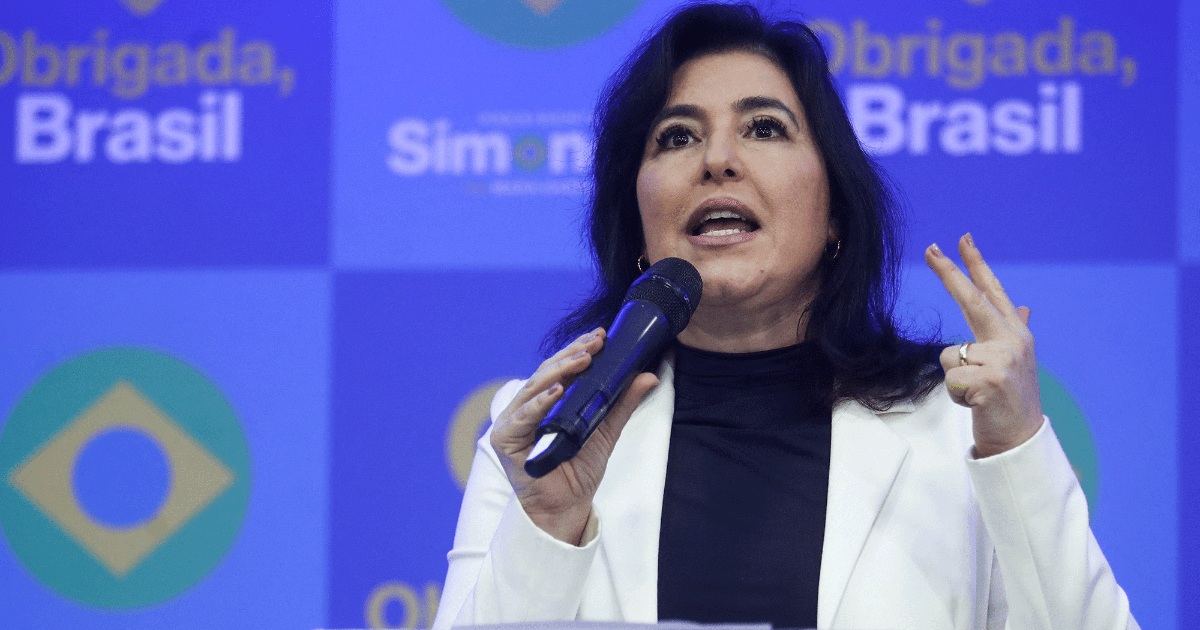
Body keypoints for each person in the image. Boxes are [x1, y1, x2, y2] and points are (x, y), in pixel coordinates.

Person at [432, 3, 1138, 629]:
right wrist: (548, 522)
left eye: (764, 128)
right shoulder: (546, 434)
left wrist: (1016, 448)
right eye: (676, 137)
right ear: (638, 222)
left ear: (834, 213)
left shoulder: (955, 427)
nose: (717, 160)